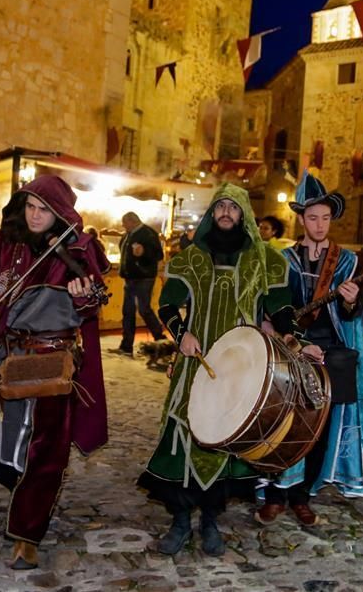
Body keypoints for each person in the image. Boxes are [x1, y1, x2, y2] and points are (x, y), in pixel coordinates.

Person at [0, 175, 110, 570]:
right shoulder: (6, 242)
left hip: (53, 361)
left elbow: (91, 307)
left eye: (44, 209)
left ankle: (27, 535)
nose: (34, 215)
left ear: (60, 213)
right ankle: (19, 497)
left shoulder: (79, 250)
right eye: (30, 206)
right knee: (6, 440)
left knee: (47, 450)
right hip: (8, 357)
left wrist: (85, 299)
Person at [138, 183, 303, 557]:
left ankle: (210, 520)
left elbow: (280, 308)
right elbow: (168, 305)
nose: (226, 212)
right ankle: (180, 520)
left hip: (241, 367)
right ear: (213, 213)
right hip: (196, 364)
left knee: (227, 437)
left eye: (234, 207)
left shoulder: (267, 261)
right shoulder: (188, 258)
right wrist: (181, 334)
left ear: (244, 214)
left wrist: (294, 336)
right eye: (220, 206)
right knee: (184, 433)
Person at [257, 172, 363, 527]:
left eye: (326, 217)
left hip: (330, 353)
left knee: (319, 426)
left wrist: (350, 303)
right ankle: (274, 495)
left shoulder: (345, 260)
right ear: (301, 219)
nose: (319, 224)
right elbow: (267, 307)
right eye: (312, 217)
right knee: (283, 424)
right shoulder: (282, 260)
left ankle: (303, 496)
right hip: (290, 350)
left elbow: (352, 315)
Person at [117, 211, 166, 356]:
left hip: (143, 278)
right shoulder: (128, 234)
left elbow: (158, 254)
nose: (123, 225)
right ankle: (126, 345)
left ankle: (160, 337)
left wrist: (144, 253)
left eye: (124, 223)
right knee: (128, 311)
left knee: (144, 309)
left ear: (132, 221)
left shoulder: (148, 233)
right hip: (131, 278)